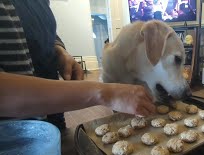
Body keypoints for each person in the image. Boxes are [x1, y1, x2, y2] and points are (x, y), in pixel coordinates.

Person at [0, 1, 155, 124]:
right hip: (13, 147)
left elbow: (40, 30)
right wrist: (106, 93)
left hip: (50, 124)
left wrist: (58, 50)